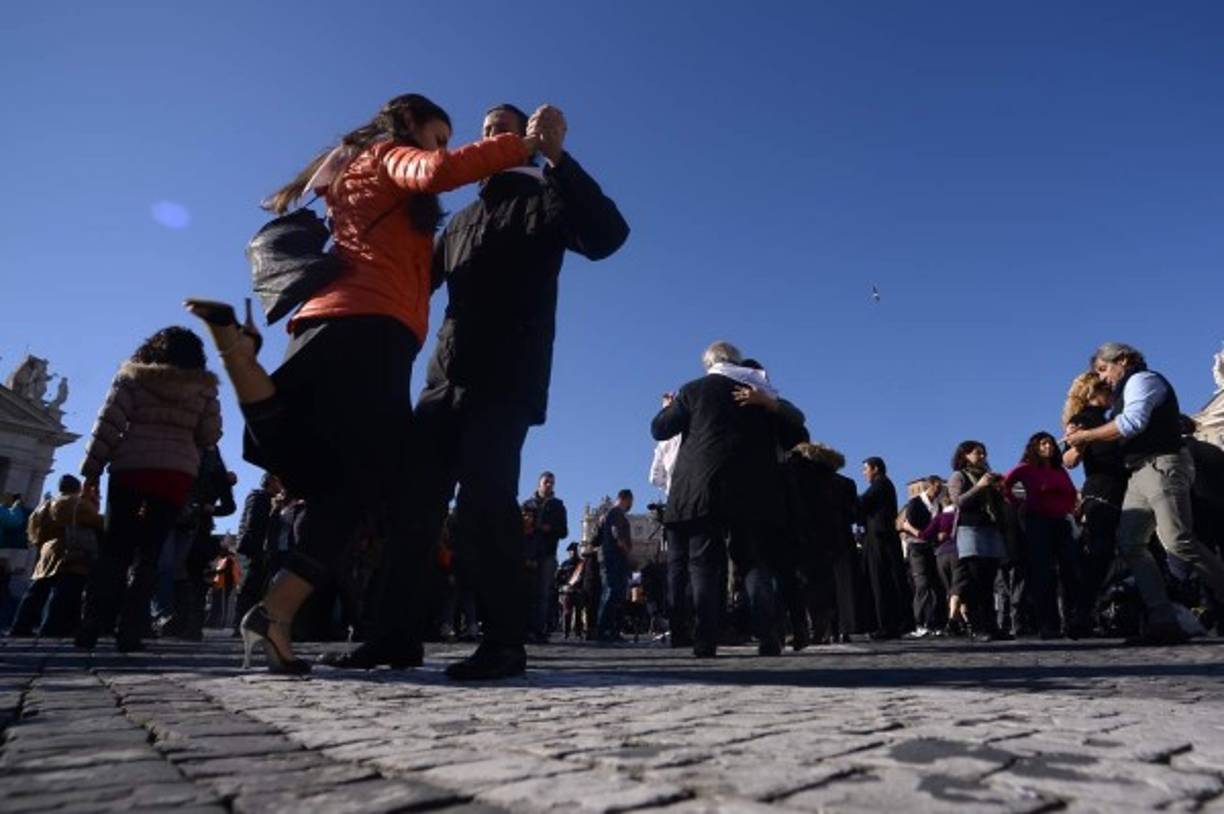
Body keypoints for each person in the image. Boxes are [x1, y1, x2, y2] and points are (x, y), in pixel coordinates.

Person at [186, 94, 542, 673]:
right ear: (409, 125)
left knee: (338, 485)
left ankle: (275, 613)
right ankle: (233, 351)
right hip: (369, 330)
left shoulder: (354, 172)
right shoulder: (387, 156)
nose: (443, 147)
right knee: (370, 483)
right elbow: (438, 172)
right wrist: (522, 145)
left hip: (327, 324)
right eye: (440, 133)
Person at [358, 102, 627, 680]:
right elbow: (413, 282)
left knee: (485, 504)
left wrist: (559, 157)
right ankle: (394, 636)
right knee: (412, 509)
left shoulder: (546, 195)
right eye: (482, 132)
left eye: (501, 129)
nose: (490, 137)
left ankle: (503, 641)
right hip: (443, 380)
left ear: (526, 138)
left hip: (505, 378)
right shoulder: (457, 221)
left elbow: (608, 236)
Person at [651, 341, 805, 658]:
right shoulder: (760, 391)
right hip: (754, 490)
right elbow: (797, 435)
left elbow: (659, 429)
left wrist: (670, 406)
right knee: (753, 563)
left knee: (704, 565)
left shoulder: (693, 390)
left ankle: (705, 640)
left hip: (703, 488)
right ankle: (768, 637)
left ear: (709, 364)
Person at [1065, 342, 1224, 644]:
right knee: (1130, 543)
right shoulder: (1120, 395)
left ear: (1123, 359)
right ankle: (1162, 618)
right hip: (1138, 472)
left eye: (1103, 369)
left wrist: (1086, 436)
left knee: (1178, 540)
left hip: (1161, 465)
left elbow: (1131, 423)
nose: (1103, 377)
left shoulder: (1142, 380)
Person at [76, 327, 221, 652]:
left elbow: (109, 424)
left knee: (115, 546)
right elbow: (210, 434)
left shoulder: (132, 377)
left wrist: (92, 471)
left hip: (131, 467)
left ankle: (91, 623)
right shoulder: (204, 389)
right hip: (175, 471)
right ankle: (131, 628)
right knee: (151, 552)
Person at [1062, 371, 1127, 627]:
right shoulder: (1083, 420)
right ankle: (1083, 612)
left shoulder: (1110, 418)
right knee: (1100, 554)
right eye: (1107, 390)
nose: (1112, 394)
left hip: (1121, 490)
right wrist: (1078, 444)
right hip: (1101, 493)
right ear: (1094, 393)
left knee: (1120, 552)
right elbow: (1068, 460)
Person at [1003, 432, 1082, 638]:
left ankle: (1073, 622)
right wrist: (1020, 504)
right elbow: (1003, 486)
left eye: (1051, 444)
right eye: (1043, 444)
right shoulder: (1025, 468)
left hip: (1062, 522)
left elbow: (1072, 493)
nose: (1049, 447)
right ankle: (1048, 625)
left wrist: (1072, 508)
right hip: (1037, 523)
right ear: (1035, 447)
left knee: (1070, 570)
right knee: (1043, 573)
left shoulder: (1060, 470)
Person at [8, 476, 103, 637]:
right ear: (77, 487)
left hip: (47, 551)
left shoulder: (43, 506)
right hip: (71, 551)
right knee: (65, 592)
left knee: (36, 592)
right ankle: (52, 627)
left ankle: (20, 626)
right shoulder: (76, 503)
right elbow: (97, 521)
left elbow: (33, 532)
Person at [947, 441, 1008, 642]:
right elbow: (958, 501)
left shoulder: (988, 477)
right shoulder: (959, 476)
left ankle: (992, 626)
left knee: (989, 580)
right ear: (965, 455)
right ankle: (978, 626)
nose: (982, 457)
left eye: (984, 453)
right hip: (970, 529)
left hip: (990, 529)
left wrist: (998, 489)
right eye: (977, 453)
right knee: (975, 580)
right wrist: (980, 486)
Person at [858, 457, 911, 639]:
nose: (864, 473)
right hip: (882, 537)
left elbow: (863, 502)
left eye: (866, 469)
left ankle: (886, 625)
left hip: (880, 539)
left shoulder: (880, 484)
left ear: (875, 468)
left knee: (881, 581)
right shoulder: (884, 484)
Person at [522, 471, 568, 643]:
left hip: (547, 553)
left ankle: (539, 629)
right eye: (546, 482)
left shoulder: (557, 505)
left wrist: (550, 529)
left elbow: (564, 531)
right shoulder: (527, 504)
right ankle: (525, 628)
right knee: (527, 592)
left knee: (542, 593)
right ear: (539, 483)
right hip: (528, 552)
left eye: (552, 483)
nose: (549, 485)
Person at [899, 476, 945, 638]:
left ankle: (933, 622)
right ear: (930, 486)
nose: (940, 491)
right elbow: (911, 525)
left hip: (931, 548)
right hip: (917, 548)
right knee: (922, 584)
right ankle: (918, 623)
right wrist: (922, 532)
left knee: (935, 585)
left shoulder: (937, 505)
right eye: (938, 487)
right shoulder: (915, 503)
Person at [595, 490, 634, 642]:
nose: (631, 505)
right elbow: (617, 534)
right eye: (631, 501)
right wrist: (626, 551)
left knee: (615, 593)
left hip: (613, 557)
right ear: (625, 499)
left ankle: (610, 630)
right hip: (613, 558)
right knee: (611, 592)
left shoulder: (612, 513)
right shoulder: (616, 512)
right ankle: (603, 629)